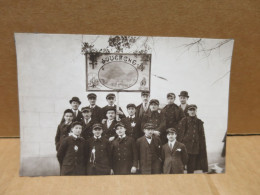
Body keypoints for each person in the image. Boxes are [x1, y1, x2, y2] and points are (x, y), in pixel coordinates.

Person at [177, 104, 208, 173]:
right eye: (190, 110)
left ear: (196, 111)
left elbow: (202, 136)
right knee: (180, 167)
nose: (192, 111)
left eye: (193, 110)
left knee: (191, 169)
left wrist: (201, 147)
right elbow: (180, 135)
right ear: (187, 111)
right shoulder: (184, 121)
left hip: (194, 148)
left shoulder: (199, 122)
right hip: (184, 147)